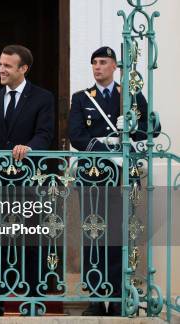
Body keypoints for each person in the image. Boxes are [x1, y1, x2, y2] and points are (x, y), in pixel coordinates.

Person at [68, 46, 160, 316]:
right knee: (93, 235)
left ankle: (119, 298)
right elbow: (77, 137)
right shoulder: (82, 98)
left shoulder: (129, 96)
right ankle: (96, 297)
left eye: (103, 62)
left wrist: (131, 130)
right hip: (93, 176)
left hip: (123, 177)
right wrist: (110, 149)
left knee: (121, 237)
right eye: (94, 62)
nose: (98, 67)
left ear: (115, 67)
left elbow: (153, 128)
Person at [0, 44, 55, 316]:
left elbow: (45, 134)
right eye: (0, 64)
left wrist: (30, 148)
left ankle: (33, 301)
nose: (1, 69)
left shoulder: (43, 98)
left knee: (31, 244)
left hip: (30, 184)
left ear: (23, 69)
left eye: (8, 65)